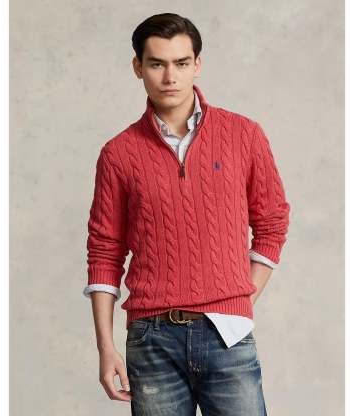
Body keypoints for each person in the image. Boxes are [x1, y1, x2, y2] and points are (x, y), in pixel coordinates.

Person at [83, 12, 290, 416]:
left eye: (181, 63)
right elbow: (104, 252)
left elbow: (272, 222)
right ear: (138, 67)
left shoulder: (243, 135)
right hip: (151, 340)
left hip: (227, 334)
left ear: (197, 64)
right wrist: (105, 348)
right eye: (157, 64)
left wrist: (239, 299)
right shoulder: (118, 154)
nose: (170, 77)